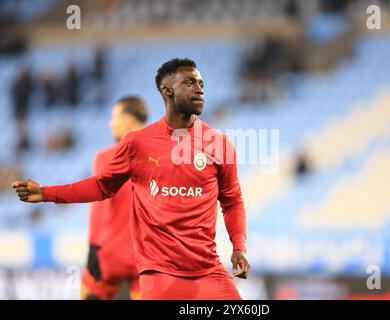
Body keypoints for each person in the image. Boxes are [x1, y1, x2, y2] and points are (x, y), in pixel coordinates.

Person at [12, 58, 250, 300]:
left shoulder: (218, 143)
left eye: (201, 83)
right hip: (160, 274)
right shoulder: (138, 144)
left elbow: (232, 200)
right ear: (167, 90)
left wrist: (239, 247)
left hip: (208, 271)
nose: (199, 88)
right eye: (189, 82)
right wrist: (47, 193)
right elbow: (101, 186)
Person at [80, 96, 149, 300]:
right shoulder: (162, 156)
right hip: (146, 257)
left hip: (111, 255)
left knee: (86, 294)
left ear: (127, 120)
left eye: (113, 117)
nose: (110, 123)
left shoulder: (105, 158)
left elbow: (98, 212)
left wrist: (93, 252)